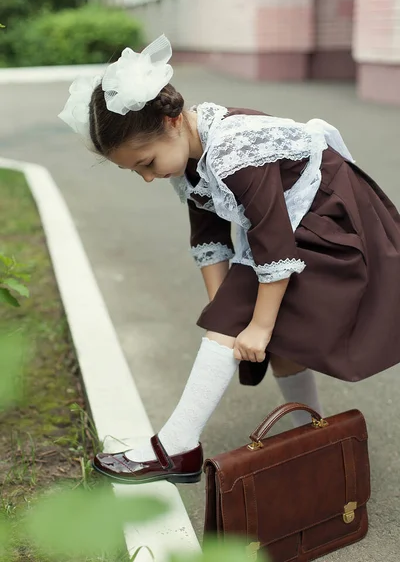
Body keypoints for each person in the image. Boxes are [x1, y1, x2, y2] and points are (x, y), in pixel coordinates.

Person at [59, 35, 400, 485]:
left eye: (146, 163)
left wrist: (252, 324)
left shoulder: (237, 151)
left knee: (261, 323)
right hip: (288, 227)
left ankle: (176, 447)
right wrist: (227, 315)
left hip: (329, 220)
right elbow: (209, 235)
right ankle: (313, 442)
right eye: (135, 171)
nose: (146, 177)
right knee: (267, 333)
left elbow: (273, 242)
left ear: (174, 121)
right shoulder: (188, 154)